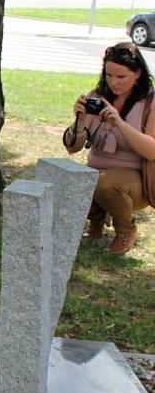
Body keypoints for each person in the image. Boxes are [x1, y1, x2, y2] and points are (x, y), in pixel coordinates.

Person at [63, 42, 155, 255]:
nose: (113, 82)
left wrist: (120, 124)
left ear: (138, 73)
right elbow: (72, 148)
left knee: (106, 183)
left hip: (136, 180)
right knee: (78, 178)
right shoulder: (97, 96)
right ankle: (95, 223)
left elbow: (151, 151)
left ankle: (126, 231)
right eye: (109, 75)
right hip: (98, 171)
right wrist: (79, 121)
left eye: (121, 77)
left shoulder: (150, 102)